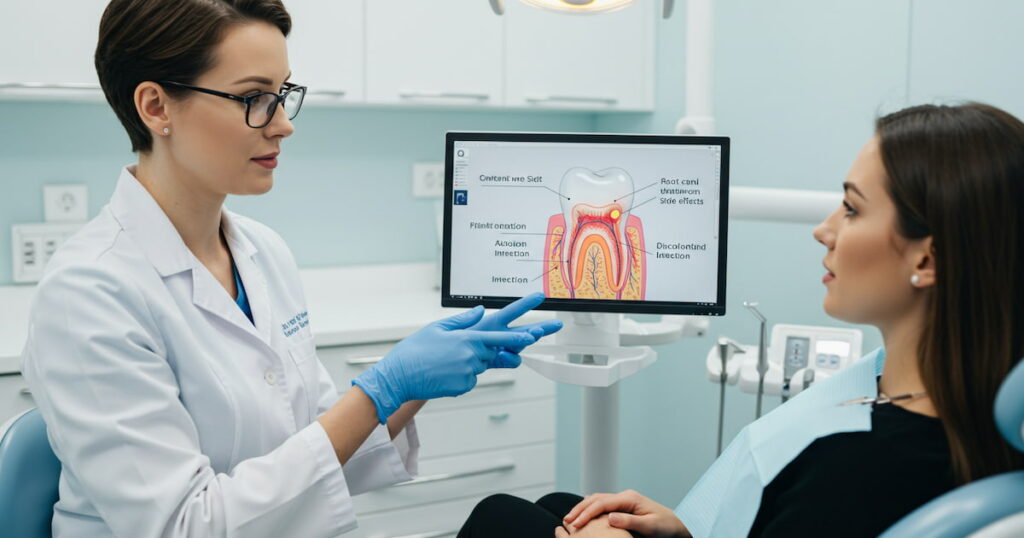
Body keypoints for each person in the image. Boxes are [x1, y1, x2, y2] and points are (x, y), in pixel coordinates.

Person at [20, 1, 562, 537]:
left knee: (540, 512)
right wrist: (381, 389)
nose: (282, 125)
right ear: (157, 107)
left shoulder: (263, 251)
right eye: (254, 98)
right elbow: (184, 526)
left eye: (283, 95)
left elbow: (320, 453)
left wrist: (411, 385)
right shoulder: (89, 293)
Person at [457, 102, 1024, 537]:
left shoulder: (861, 470)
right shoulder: (976, 407)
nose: (824, 229)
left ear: (927, 260)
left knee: (500, 516)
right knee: (564, 507)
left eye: (852, 208)